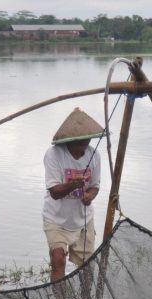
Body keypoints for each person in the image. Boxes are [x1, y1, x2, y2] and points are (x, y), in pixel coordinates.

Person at [42, 108, 105, 282]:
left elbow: (95, 186)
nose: (81, 148)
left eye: (86, 142)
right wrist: (74, 184)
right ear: (70, 141)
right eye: (78, 143)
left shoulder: (94, 155)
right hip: (56, 219)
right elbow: (54, 192)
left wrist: (90, 196)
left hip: (83, 219)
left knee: (88, 266)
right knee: (57, 259)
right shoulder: (54, 154)